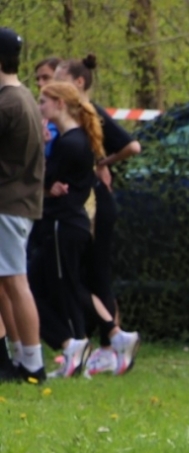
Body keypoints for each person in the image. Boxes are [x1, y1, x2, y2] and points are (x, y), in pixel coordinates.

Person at [53, 55, 141, 376]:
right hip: (87, 204)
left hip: (95, 205)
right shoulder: (72, 123)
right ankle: (105, 340)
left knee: (97, 274)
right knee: (88, 274)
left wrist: (103, 163)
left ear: (77, 83)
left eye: (57, 79)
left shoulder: (91, 116)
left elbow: (132, 146)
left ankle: (112, 341)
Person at [26, 81, 99, 378]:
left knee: (59, 289)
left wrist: (42, 151)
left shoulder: (71, 143)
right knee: (53, 288)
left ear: (59, 104)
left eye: (43, 101)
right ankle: (74, 348)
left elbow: (44, 176)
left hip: (63, 225)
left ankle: (72, 344)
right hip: (66, 223)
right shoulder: (72, 140)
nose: (40, 107)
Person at [0, 28, 44, 385]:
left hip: (8, 204)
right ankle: (19, 355)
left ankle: (33, 362)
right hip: (17, 203)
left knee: (15, 282)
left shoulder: (7, 104)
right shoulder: (23, 97)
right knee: (7, 283)